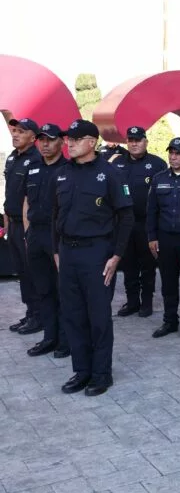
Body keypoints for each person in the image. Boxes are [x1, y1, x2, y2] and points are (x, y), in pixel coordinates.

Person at [52, 119, 134, 396]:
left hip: (97, 253)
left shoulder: (109, 174)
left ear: (92, 142)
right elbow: (55, 215)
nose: (69, 143)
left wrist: (117, 255)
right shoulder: (63, 173)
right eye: (68, 139)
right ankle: (82, 371)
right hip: (68, 252)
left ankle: (101, 374)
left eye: (75, 139)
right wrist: (56, 251)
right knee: (73, 315)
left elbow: (126, 216)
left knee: (98, 316)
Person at [21, 124, 69, 355]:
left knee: (64, 290)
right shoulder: (33, 167)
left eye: (50, 139)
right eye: (42, 140)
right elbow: (27, 201)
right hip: (36, 235)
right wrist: (28, 233)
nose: (45, 144)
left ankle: (66, 340)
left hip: (58, 237)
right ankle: (50, 337)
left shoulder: (69, 169)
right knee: (43, 289)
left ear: (61, 142)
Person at [111, 126, 167, 318]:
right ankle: (132, 301)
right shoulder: (117, 164)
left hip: (147, 223)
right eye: (131, 140)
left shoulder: (158, 164)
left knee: (148, 265)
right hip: (124, 224)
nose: (134, 144)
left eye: (138, 140)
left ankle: (147, 302)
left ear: (146, 142)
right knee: (128, 265)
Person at [147, 137, 180, 339]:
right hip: (165, 239)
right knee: (168, 283)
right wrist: (152, 236)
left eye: (178, 153)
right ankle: (170, 321)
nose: (174, 157)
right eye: (171, 152)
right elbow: (152, 211)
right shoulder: (159, 179)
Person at [4, 118, 42, 333]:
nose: (15, 134)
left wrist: (28, 232)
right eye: (14, 130)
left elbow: (32, 199)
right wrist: (8, 224)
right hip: (14, 224)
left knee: (32, 272)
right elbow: (10, 193)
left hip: (29, 226)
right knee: (21, 271)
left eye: (21, 131)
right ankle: (30, 312)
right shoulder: (12, 158)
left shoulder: (36, 160)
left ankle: (39, 316)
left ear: (33, 137)